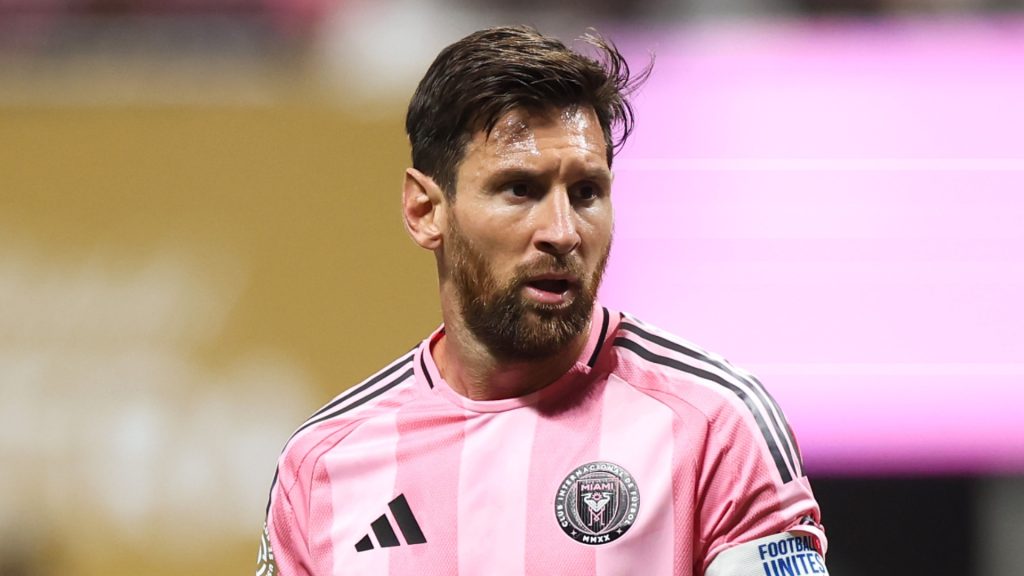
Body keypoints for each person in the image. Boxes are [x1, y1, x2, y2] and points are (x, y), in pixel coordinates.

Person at [257, 25, 828, 576]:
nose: (563, 231)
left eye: (586, 192)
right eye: (520, 190)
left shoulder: (714, 424)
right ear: (426, 211)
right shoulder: (324, 465)